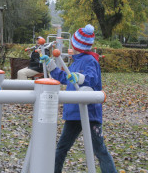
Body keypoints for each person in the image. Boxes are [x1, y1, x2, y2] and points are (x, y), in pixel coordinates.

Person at [40, 24, 117, 173]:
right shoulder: (75, 62)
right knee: (61, 148)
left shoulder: (90, 61)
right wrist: (51, 66)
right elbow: (66, 77)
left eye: (72, 43)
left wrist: (80, 77)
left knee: (100, 150)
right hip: (75, 113)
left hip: (90, 113)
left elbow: (92, 80)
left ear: (76, 45)